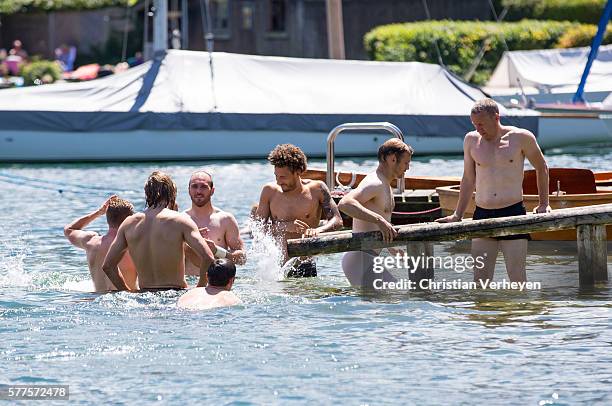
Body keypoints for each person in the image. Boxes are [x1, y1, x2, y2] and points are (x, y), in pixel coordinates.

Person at [436, 98, 550, 283]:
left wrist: (543, 204)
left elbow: (542, 167)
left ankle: (520, 311)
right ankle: (483, 312)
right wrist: (458, 214)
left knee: (517, 278)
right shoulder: (471, 140)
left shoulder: (521, 137)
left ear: (496, 117)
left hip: (512, 213)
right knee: (480, 280)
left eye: (481, 123)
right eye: (474, 124)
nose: (478, 128)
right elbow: (468, 178)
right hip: (482, 214)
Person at [102, 171, 215, 291]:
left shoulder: (129, 223)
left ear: (146, 194)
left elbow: (108, 266)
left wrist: (127, 292)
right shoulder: (181, 220)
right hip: (175, 295)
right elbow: (208, 258)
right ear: (171, 193)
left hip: (144, 297)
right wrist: (200, 288)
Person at [256, 144, 343, 277]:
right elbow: (258, 229)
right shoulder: (269, 191)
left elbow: (337, 220)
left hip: (306, 265)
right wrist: (286, 226)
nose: (278, 182)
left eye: (283, 177)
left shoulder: (317, 189)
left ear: (298, 172)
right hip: (278, 266)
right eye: (276, 176)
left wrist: (317, 230)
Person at [338, 139, 413, 287]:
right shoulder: (375, 182)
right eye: (406, 163)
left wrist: (391, 247)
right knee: (398, 296)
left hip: (368, 257)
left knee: (393, 298)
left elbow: (378, 220)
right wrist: (379, 220)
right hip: (360, 258)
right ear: (392, 159)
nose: (408, 168)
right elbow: (345, 203)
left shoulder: (385, 184)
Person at [64, 195, 138, 292]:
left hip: (97, 299)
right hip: (126, 302)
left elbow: (69, 229)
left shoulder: (91, 242)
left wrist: (98, 212)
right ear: (129, 220)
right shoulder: (133, 246)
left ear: (108, 219)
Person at [184, 169, 246, 276]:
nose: (198, 191)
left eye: (203, 187)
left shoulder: (225, 220)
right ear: (189, 190)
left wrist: (217, 251)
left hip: (217, 286)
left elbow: (242, 258)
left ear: (212, 190)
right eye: (194, 186)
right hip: (189, 285)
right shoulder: (181, 220)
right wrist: (188, 242)